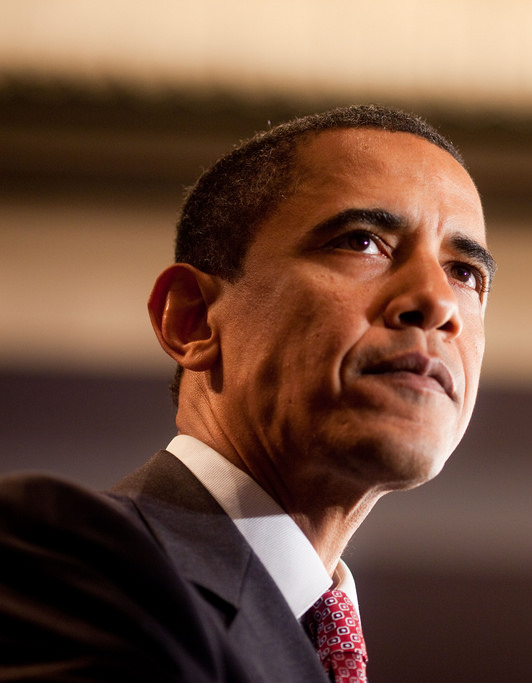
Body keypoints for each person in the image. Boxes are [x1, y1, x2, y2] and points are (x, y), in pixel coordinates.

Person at [0, 105, 495, 682]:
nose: (437, 303)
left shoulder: (318, 643)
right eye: (363, 242)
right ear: (192, 320)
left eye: (465, 273)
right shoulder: (73, 566)